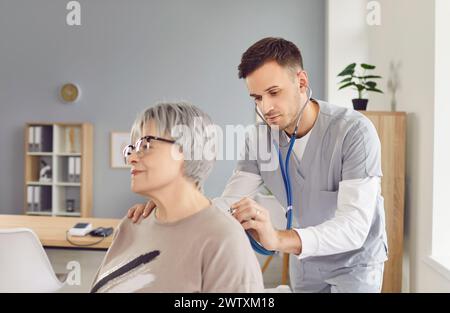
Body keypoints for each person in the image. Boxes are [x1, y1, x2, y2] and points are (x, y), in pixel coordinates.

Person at [128, 37, 388, 293]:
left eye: (274, 93)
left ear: (301, 82)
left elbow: (355, 227)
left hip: (355, 263)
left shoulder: (354, 132)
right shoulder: (260, 138)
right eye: (257, 98)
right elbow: (230, 200)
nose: (266, 107)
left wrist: (278, 238)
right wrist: (175, 206)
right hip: (306, 262)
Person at [91, 102, 264, 293]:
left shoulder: (225, 240)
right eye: (131, 148)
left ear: (186, 149)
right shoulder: (132, 224)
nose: (131, 157)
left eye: (145, 145)